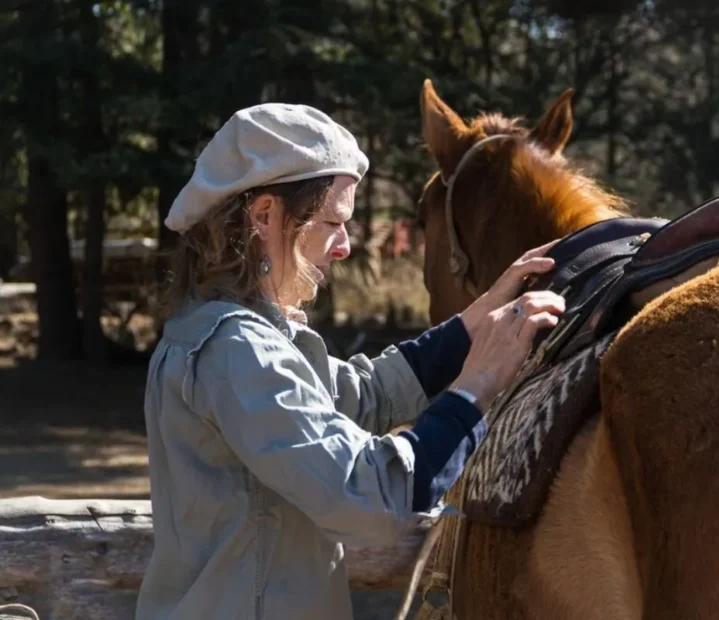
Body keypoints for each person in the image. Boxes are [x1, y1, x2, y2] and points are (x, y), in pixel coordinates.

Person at [135, 103, 565, 620]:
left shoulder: (221, 330)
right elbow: (372, 497)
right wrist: (476, 388)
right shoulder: (238, 351)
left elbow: (362, 394)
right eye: (333, 222)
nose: (343, 248)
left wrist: (477, 320)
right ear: (266, 217)